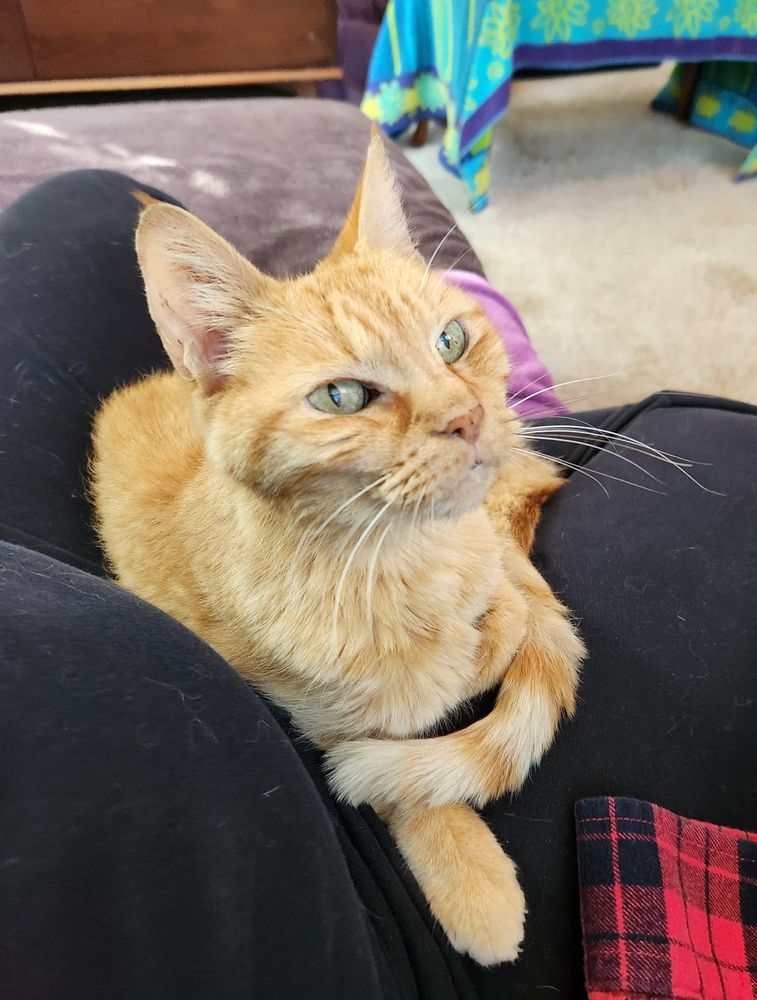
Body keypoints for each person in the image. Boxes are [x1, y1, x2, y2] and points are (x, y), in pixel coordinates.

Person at [1, 170, 755, 1000]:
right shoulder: (275, 629)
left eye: (451, 342)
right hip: (232, 504)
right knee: (98, 204)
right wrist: (423, 806)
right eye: (349, 393)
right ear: (213, 356)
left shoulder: (443, 489)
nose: (459, 412)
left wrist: (507, 605)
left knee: (86, 200)